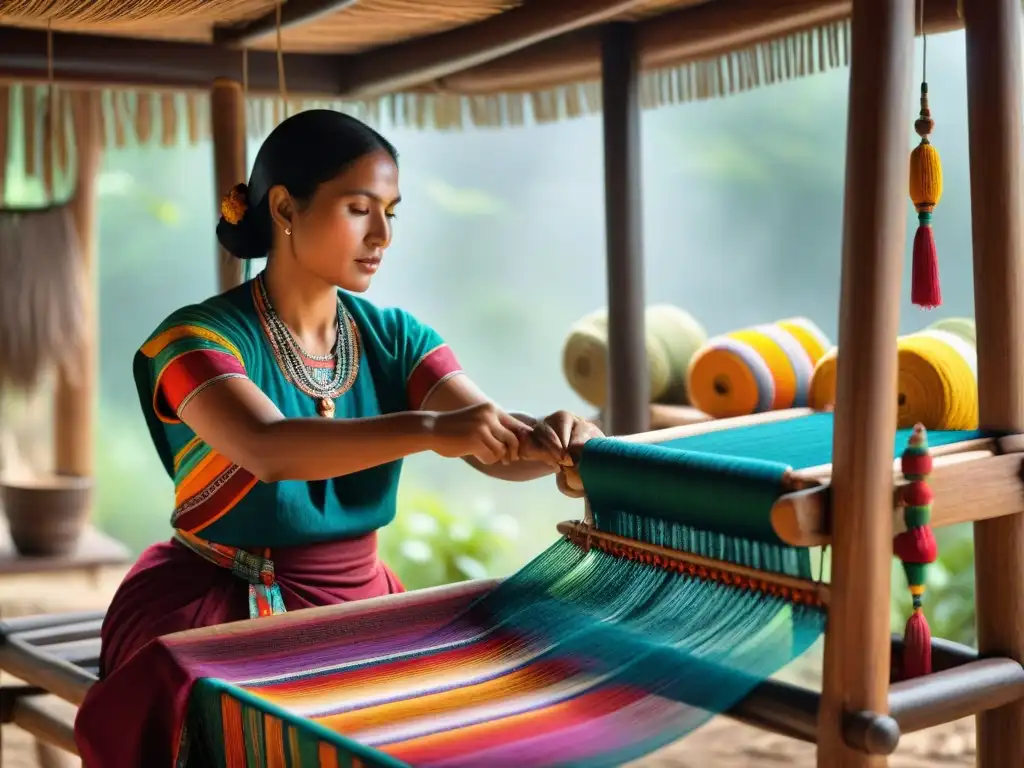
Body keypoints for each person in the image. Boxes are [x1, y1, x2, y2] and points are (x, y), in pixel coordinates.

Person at [74, 110, 603, 766]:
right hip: (215, 606)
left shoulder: (396, 337)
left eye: (392, 212)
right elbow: (267, 448)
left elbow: (491, 442)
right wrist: (433, 430)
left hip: (361, 603)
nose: (381, 234)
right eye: (359, 208)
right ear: (284, 208)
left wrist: (557, 442)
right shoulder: (194, 340)